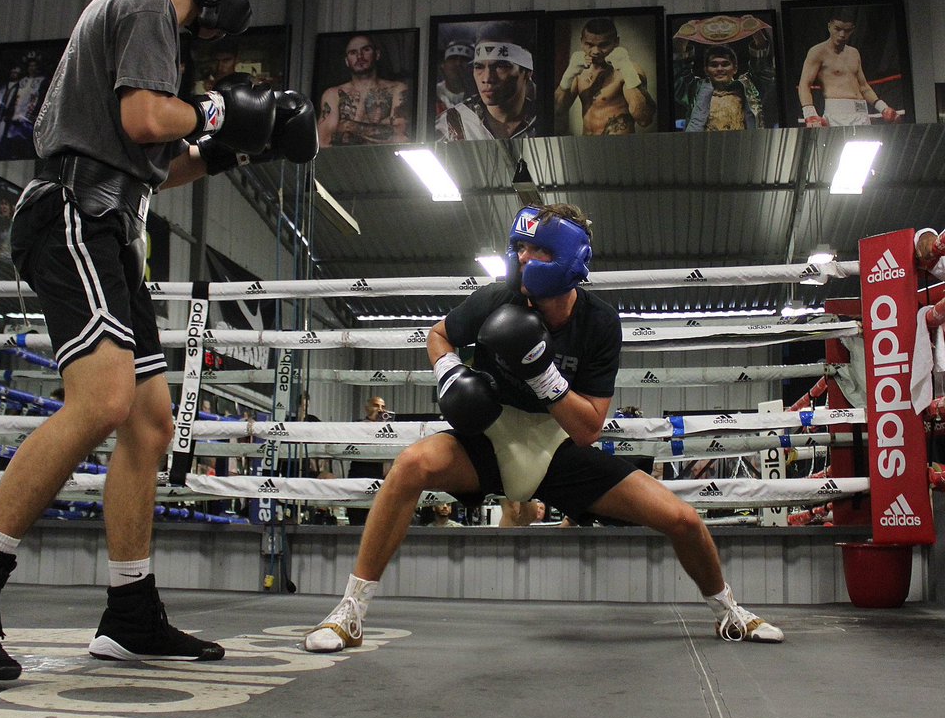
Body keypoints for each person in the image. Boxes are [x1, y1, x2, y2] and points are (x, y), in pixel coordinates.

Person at [0, 0, 318, 682]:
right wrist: (227, 113)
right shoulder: (146, 6)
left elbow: (160, 162)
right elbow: (142, 120)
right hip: (74, 212)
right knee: (98, 402)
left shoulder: (153, 36)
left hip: (112, 220)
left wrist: (231, 146)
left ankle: (130, 612)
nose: (245, 3)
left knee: (149, 418)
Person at [302, 202, 783, 653]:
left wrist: (541, 371)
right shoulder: (498, 298)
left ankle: (729, 611)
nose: (523, 257)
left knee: (683, 520)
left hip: (557, 448)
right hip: (488, 436)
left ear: (569, 260)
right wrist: (451, 372)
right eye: (521, 247)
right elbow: (439, 334)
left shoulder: (598, 322)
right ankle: (350, 612)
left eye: (539, 250)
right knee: (409, 466)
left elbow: (589, 429)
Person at [796, 9, 900, 128]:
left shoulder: (854, 53)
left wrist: (883, 108)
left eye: (847, 30)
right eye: (837, 29)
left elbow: (864, 86)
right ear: (829, 26)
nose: (842, 34)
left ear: (853, 30)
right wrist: (810, 114)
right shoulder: (817, 52)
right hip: (836, 114)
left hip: (861, 113)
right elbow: (804, 84)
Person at [554, 18, 656, 135]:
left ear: (616, 42)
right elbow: (557, 111)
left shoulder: (629, 71)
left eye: (603, 45)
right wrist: (568, 75)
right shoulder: (578, 72)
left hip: (619, 148)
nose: (596, 51)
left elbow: (644, 119)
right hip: (587, 148)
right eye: (589, 44)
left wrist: (626, 68)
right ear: (581, 42)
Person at [436, 22, 537, 140]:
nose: (487, 78)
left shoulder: (545, 119)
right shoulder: (450, 125)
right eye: (479, 67)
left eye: (501, 66)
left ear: (527, 71)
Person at [317, 33, 411, 146]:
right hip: (343, 161)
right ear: (347, 61)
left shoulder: (396, 89)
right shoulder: (333, 94)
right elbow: (324, 141)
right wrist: (382, 129)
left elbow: (402, 137)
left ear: (377, 54)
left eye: (366, 49)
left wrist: (348, 125)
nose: (360, 56)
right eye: (353, 52)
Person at [675, 33, 776, 132]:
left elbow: (763, 71)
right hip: (703, 147)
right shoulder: (695, 90)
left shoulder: (748, 88)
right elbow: (678, 76)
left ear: (735, 68)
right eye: (714, 65)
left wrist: (756, 31)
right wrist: (685, 33)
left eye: (725, 64)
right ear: (706, 70)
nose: (720, 69)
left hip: (744, 146)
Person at [345, 394, 390, 525]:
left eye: (383, 407)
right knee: (357, 517)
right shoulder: (358, 425)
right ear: (367, 408)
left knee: (377, 519)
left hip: (379, 474)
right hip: (360, 471)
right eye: (376, 406)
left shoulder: (389, 428)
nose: (380, 409)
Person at [434, 39, 475, 117]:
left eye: (464, 59)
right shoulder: (433, 93)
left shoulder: (482, 96)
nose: (458, 63)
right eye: (453, 58)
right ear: (443, 65)